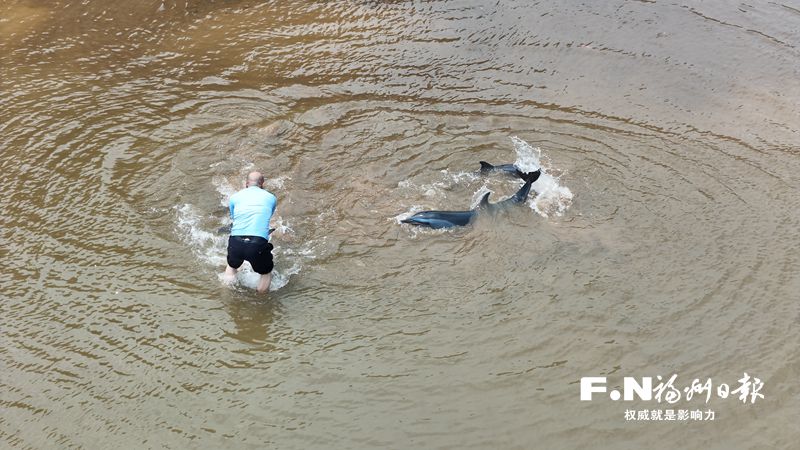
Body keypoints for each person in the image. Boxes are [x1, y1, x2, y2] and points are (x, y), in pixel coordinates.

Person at [223, 171, 277, 293]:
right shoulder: (271, 198)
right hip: (257, 243)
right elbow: (268, 216)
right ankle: (260, 302)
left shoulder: (234, 197)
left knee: (232, 266)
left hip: (236, 240)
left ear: (246, 183)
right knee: (266, 273)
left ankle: (227, 293)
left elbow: (234, 217)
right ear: (262, 183)